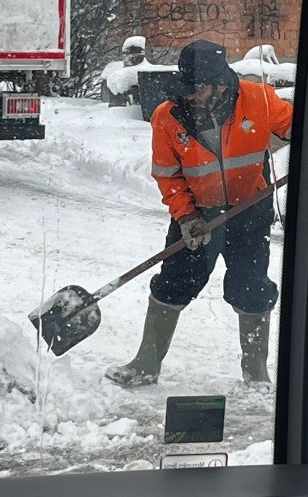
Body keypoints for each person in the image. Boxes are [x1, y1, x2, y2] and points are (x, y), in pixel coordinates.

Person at [104, 40, 293, 388]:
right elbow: (168, 175)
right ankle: (146, 363)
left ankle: (255, 374)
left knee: (251, 289)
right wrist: (187, 217)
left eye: (198, 88)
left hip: (249, 210)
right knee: (173, 283)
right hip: (198, 214)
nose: (189, 96)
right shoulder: (167, 116)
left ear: (220, 83)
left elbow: (299, 128)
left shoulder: (259, 100)